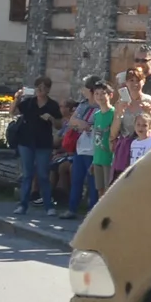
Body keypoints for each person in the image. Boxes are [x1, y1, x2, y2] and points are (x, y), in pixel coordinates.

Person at [10, 77, 60, 216]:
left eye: (43, 88)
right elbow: (13, 112)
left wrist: (50, 118)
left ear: (48, 89)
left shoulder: (52, 105)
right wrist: (17, 98)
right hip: (26, 142)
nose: (40, 90)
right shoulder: (29, 103)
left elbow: (59, 124)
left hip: (43, 144)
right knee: (27, 175)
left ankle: (49, 206)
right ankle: (23, 205)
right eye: (38, 87)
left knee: (43, 175)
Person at [64, 79, 105, 217]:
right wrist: (82, 124)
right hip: (80, 147)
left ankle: (92, 213)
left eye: (85, 89)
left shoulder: (102, 108)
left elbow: (98, 126)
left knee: (93, 183)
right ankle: (72, 209)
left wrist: (83, 124)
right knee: (77, 179)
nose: (83, 91)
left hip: (94, 149)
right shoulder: (83, 105)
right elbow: (71, 122)